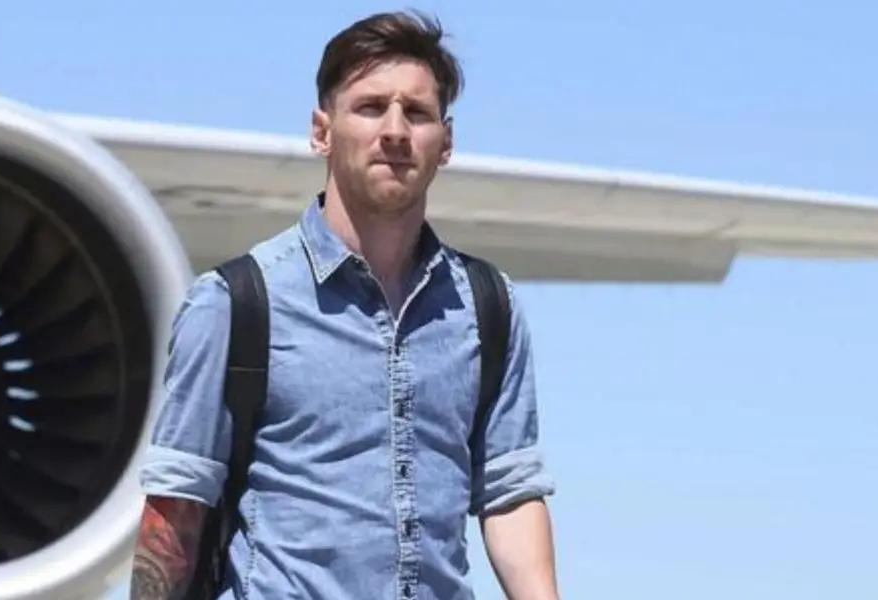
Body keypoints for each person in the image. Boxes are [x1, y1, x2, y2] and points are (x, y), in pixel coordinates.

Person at [130, 12, 558, 600]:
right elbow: (179, 501)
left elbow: (509, 491)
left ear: (446, 142)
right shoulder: (235, 304)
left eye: (417, 113)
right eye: (370, 107)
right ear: (321, 132)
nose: (395, 131)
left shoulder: (487, 307)